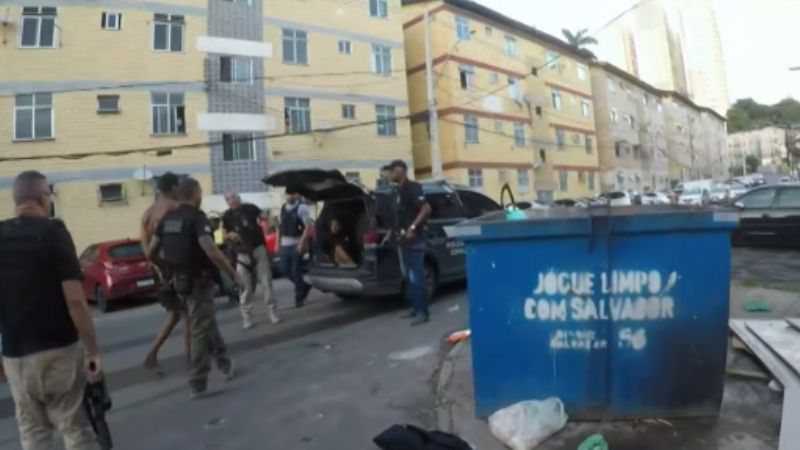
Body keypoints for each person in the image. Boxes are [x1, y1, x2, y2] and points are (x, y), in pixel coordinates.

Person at [0, 170, 103, 450]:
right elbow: (76, 300)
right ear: (43, 198)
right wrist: (92, 351)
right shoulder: (54, 232)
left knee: (33, 432)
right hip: (59, 350)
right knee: (75, 428)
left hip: (15, 356)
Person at [147, 177, 243, 398]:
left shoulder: (168, 219)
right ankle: (197, 380)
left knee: (205, 321)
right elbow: (210, 249)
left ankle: (224, 362)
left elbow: (151, 251)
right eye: (200, 192)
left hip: (179, 282)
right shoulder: (196, 217)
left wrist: (167, 269)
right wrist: (234, 274)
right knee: (200, 328)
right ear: (195, 193)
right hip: (198, 281)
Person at [140, 172, 192, 372]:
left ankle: (152, 354)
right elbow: (177, 242)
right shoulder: (174, 209)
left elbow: (146, 248)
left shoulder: (147, 213)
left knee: (175, 314)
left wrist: (157, 267)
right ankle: (191, 358)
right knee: (188, 315)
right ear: (173, 188)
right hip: (173, 268)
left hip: (158, 271)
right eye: (178, 185)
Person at [223, 192, 279, 329]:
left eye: (234, 197)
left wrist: (268, 222)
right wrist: (230, 235)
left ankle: (272, 312)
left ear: (239, 198)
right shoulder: (227, 216)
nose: (232, 200)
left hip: (258, 249)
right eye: (229, 199)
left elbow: (265, 217)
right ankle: (246, 317)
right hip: (242, 254)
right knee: (245, 287)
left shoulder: (250, 208)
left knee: (266, 282)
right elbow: (224, 234)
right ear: (227, 202)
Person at [389, 160, 432, 326]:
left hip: (415, 240)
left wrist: (413, 227)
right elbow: (400, 215)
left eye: (392, 171)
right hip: (404, 242)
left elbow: (426, 209)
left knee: (417, 277)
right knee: (409, 277)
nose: (390, 174)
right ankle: (415, 308)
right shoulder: (397, 191)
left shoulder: (413, 187)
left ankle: (423, 313)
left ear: (400, 171)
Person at [278, 186, 313, 308]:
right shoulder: (283, 207)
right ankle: (304, 286)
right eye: (288, 194)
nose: (290, 196)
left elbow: (308, 227)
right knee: (284, 269)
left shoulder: (302, 208)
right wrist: (278, 243)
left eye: (292, 194)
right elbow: (280, 227)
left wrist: (302, 243)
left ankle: (299, 298)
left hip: (296, 244)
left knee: (296, 271)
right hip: (284, 244)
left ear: (297, 195)